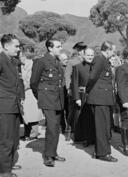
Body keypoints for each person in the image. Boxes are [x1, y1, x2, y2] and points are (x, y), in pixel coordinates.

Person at [30, 38, 66, 167]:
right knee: (51, 126)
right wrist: (40, 97)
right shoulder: (41, 61)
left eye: (60, 46)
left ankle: (53, 152)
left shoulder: (58, 62)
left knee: (55, 127)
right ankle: (48, 156)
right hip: (47, 99)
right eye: (58, 46)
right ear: (50, 48)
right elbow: (34, 82)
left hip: (58, 99)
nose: (60, 48)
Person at [85, 41, 117, 162]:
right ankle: (103, 153)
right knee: (102, 127)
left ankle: (99, 150)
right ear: (107, 50)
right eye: (113, 50)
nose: (113, 53)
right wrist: (89, 91)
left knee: (103, 126)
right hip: (99, 98)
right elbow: (92, 77)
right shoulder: (100, 59)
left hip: (103, 98)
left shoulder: (104, 60)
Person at [0, 34, 24, 177]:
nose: (18, 49)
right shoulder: (1, 59)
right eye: (16, 46)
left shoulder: (12, 61)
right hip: (4, 105)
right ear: (7, 46)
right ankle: (4, 171)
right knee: (5, 140)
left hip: (13, 105)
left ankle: (8, 165)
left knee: (14, 139)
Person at [71, 48, 95, 145]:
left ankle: (92, 138)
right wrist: (77, 98)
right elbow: (75, 83)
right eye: (88, 55)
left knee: (92, 117)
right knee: (82, 117)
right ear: (84, 56)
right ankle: (83, 138)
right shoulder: (77, 67)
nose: (90, 57)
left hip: (94, 95)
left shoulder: (96, 67)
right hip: (82, 95)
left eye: (91, 55)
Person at [65, 42, 87, 133]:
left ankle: (81, 129)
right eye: (81, 50)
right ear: (77, 51)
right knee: (72, 110)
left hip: (84, 90)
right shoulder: (72, 61)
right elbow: (67, 76)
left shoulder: (86, 61)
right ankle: (69, 129)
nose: (82, 52)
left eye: (83, 50)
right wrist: (68, 89)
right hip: (74, 89)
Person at [20, 51, 42, 141]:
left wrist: (25, 87)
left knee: (33, 114)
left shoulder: (32, 65)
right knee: (26, 114)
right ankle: (27, 133)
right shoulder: (21, 65)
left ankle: (33, 134)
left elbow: (31, 79)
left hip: (31, 91)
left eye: (20, 56)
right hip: (24, 91)